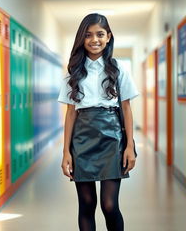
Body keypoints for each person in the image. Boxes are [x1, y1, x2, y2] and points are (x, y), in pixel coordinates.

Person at [58, 13, 139, 231]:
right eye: (88, 35)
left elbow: (126, 108)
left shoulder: (119, 68)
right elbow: (70, 113)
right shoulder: (73, 72)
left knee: (109, 205)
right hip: (82, 138)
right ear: (81, 39)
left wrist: (129, 146)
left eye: (100, 34)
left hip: (112, 139)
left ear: (109, 37)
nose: (95, 40)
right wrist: (66, 151)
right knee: (86, 204)